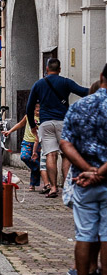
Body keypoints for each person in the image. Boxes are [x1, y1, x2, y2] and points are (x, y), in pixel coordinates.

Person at [59, 63, 107, 275]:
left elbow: (65, 143)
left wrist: (86, 169)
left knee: (84, 234)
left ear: (101, 78)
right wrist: (100, 171)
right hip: (104, 179)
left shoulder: (79, 105)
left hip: (82, 181)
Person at [26, 58, 89, 198]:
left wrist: (32, 126)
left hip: (45, 123)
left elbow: (29, 107)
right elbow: (83, 92)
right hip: (63, 122)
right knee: (66, 154)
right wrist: (100, 88)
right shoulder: (66, 82)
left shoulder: (38, 84)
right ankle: (67, 187)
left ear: (47, 69)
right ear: (59, 69)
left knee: (50, 154)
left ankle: (53, 188)